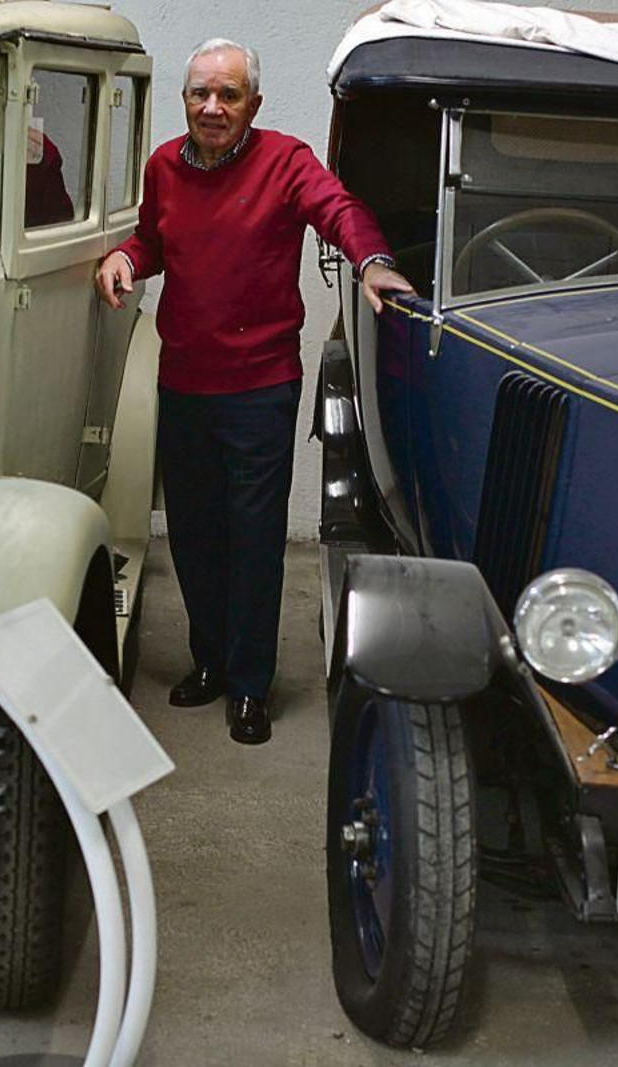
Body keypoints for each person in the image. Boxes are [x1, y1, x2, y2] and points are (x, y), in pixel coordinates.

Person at [95, 38, 412, 745]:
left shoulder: (286, 161)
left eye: (227, 95)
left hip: (260, 389)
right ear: (185, 102)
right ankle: (208, 662)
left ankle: (248, 685)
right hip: (183, 382)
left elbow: (339, 210)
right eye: (200, 94)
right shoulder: (165, 167)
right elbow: (152, 240)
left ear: (253, 105)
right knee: (194, 536)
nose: (212, 107)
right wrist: (123, 255)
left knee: (255, 538)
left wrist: (374, 260)